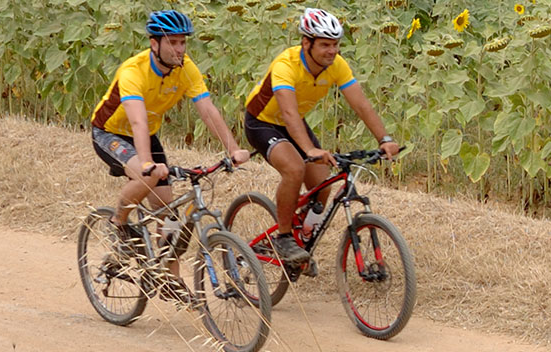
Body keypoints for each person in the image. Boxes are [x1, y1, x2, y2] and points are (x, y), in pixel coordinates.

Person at [89, 10, 250, 297]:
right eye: (172, 42)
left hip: (147, 135)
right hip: (111, 133)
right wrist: (148, 164)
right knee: (146, 174)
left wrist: (234, 149)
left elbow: (208, 111)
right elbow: (137, 121)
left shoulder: (186, 68)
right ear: (155, 44)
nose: (179, 49)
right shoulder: (133, 71)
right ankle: (119, 223)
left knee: (167, 212)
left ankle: (169, 279)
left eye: (183, 43)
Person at [242, 8, 402, 264]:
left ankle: (303, 234)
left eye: (336, 44)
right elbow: (289, 113)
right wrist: (309, 150)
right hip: (263, 122)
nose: (332, 51)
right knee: (294, 169)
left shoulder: (336, 65)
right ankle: (283, 238)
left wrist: (384, 139)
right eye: (325, 44)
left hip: (293, 123)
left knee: (323, 183)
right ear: (307, 42)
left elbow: (361, 105)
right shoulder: (286, 64)